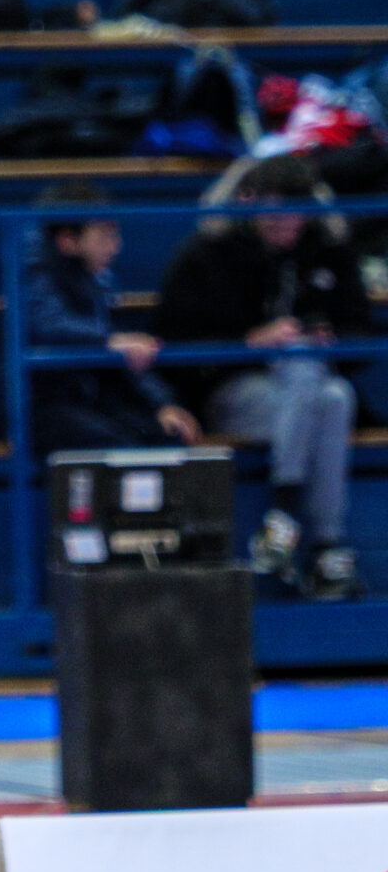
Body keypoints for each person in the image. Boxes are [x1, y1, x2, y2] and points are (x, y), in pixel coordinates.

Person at [155, 153, 367, 598]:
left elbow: (359, 328)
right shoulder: (208, 253)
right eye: (271, 213)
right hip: (232, 389)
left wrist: (331, 340)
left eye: (292, 213)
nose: (282, 223)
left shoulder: (330, 251)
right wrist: (247, 341)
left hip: (306, 393)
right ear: (249, 205)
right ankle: (326, 548)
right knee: (321, 390)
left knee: (333, 394)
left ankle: (286, 523)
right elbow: (176, 337)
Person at [22, 214, 201, 457]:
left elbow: (122, 355)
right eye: (104, 237)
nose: (116, 247)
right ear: (68, 241)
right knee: (119, 450)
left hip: (94, 402)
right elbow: (49, 325)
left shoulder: (97, 283)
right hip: (44, 407)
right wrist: (107, 341)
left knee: (166, 436)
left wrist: (162, 405)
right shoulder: (33, 274)